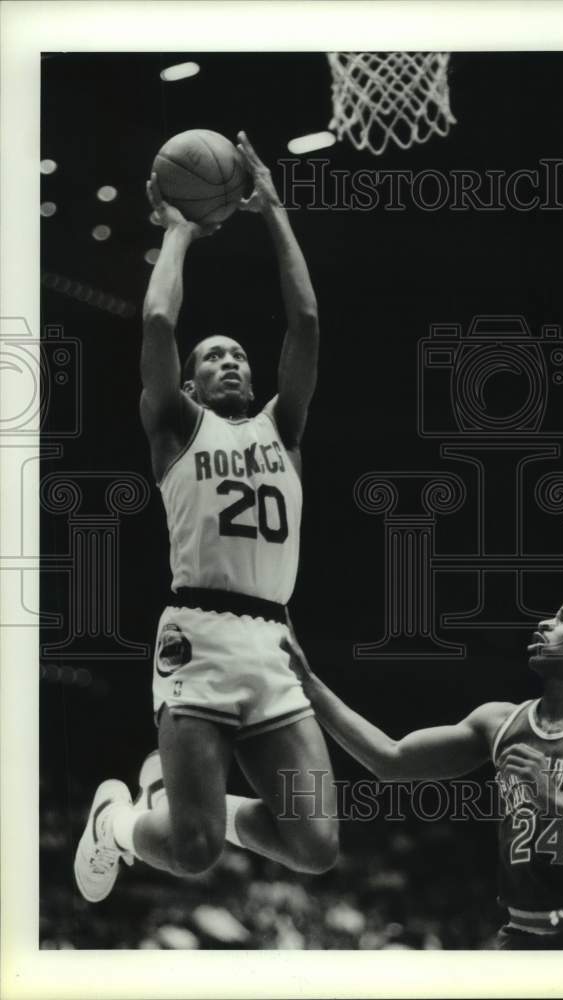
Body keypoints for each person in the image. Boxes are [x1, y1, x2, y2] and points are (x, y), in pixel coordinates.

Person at [74, 131, 338, 903]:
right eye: (213, 356)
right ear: (189, 383)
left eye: (239, 357)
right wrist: (179, 231)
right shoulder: (177, 429)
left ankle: (185, 797)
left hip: (274, 643)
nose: (230, 362)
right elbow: (159, 323)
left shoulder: (282, 430)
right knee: (192, 852)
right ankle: (118, 821)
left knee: (315, 846)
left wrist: (272, 208)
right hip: (198, 635)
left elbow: (306, 321)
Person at [283, 595, 563, 949]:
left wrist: (553, 798)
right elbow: (389, 759)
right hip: (521, 935)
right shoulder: (500, 722)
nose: (545, 623)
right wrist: (308, 684)